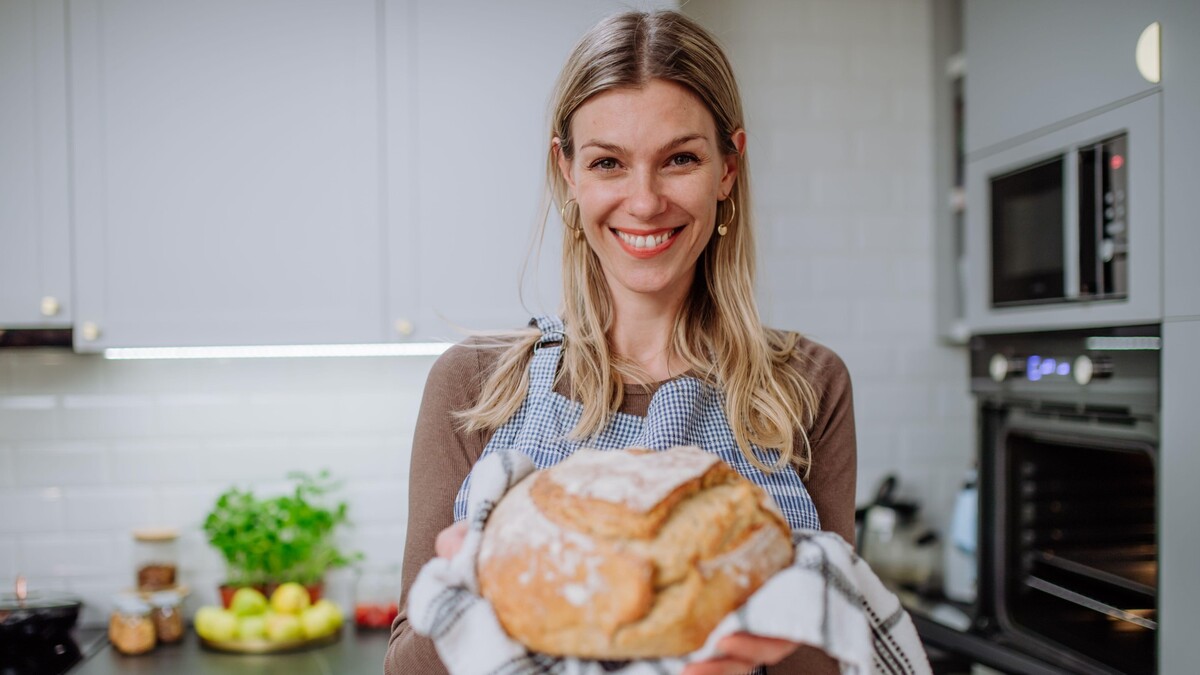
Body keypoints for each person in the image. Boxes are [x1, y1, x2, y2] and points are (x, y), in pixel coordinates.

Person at [385, 10, 856, 675]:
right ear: (569, 171)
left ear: (727, 168)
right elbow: (406, 667)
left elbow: (835, 656)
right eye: (608, 162)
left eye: (679, 159)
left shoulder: (807, 382)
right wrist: (484, 575)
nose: (644, 201)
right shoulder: (476, 382)